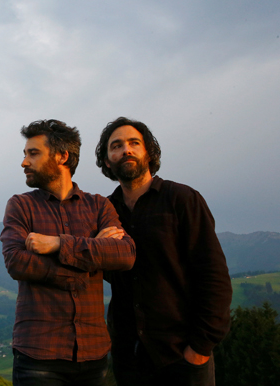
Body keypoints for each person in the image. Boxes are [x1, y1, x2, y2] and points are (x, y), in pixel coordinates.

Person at [95, 117, 232, 386]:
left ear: (149, 152)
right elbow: (108, 274)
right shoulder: (104, 211)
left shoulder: (182, 199)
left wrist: (200, 349)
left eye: (134, 143)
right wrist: (98, 248)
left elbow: (213, 275)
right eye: (116, 146)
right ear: (108, 161)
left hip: (183, 357)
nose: (126, 150)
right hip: (129, 359)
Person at [1, 119, 136, 386]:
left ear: (62, 156)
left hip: (94, 356)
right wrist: (89, 258)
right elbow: (17, 262)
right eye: (25, 154)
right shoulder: (20, 206)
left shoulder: (99, 206)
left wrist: (58, 244)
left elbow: (125, 254)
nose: (24, 162)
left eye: (33, 153)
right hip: (38, 355)